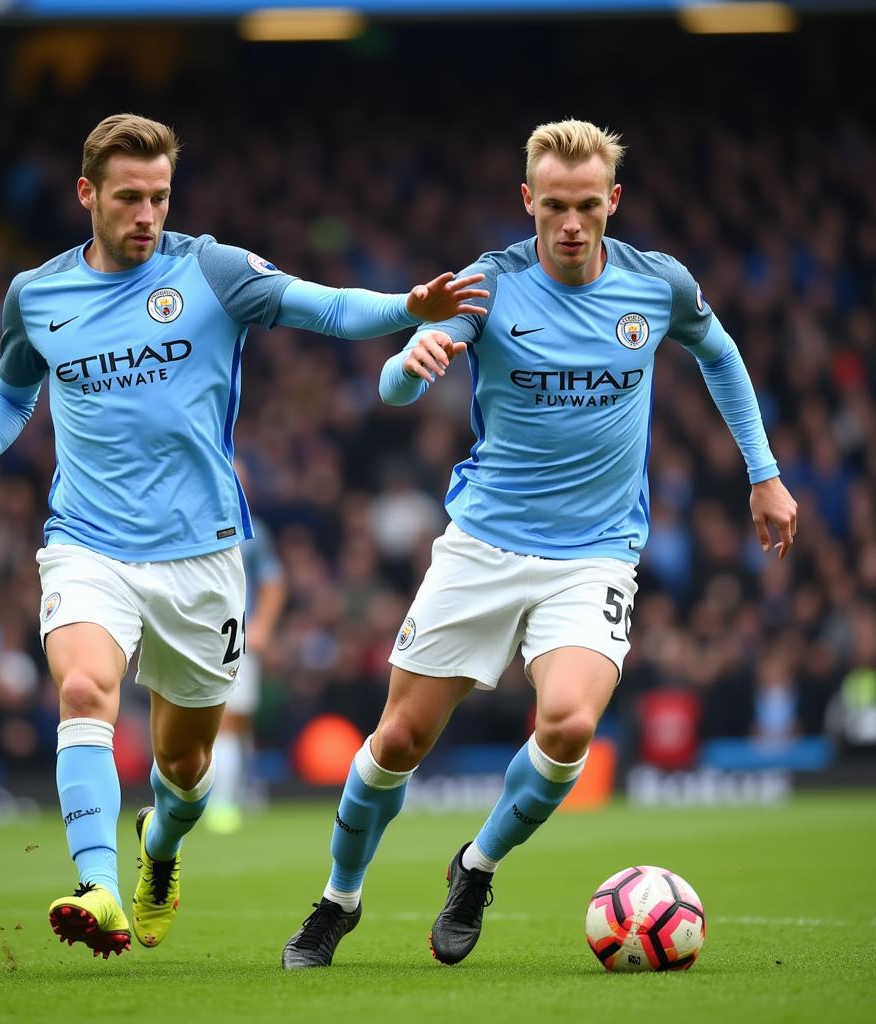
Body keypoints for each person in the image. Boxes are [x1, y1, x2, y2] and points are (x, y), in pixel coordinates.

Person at [0, 113, 487, 960]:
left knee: (184, 769)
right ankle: (98, 885)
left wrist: (405, 308)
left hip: (202, 556)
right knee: (82, 694)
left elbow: (319, 306)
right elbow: (11, 390)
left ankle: (160, 849)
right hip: (88, 541)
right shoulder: (37, 294)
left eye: (160, 197)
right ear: (87, 195)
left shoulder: (211, 270)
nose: (147, 214)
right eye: (129, 198)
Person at [281, 118, 798, 969]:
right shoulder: (487, 286)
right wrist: (413, 364)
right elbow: (390, 383)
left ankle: (476, 866)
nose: (569, 223)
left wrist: (764, 472)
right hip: (482, 545)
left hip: (594, 553)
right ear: (527, 200)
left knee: (566, 726)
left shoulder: (656, 286)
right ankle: (340, 898)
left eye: (587, 206)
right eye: (552, 205)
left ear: (612, 202)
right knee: (399, 742)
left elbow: (721, 353)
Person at [204, 460, 287, 834]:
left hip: (234, 635)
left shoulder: (254, 532)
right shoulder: (188, 522)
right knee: (211, 720)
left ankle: (224, 802)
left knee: (232, 720)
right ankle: (230, 790)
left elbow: (272, 581)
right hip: (194, 634)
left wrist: (262, 626)